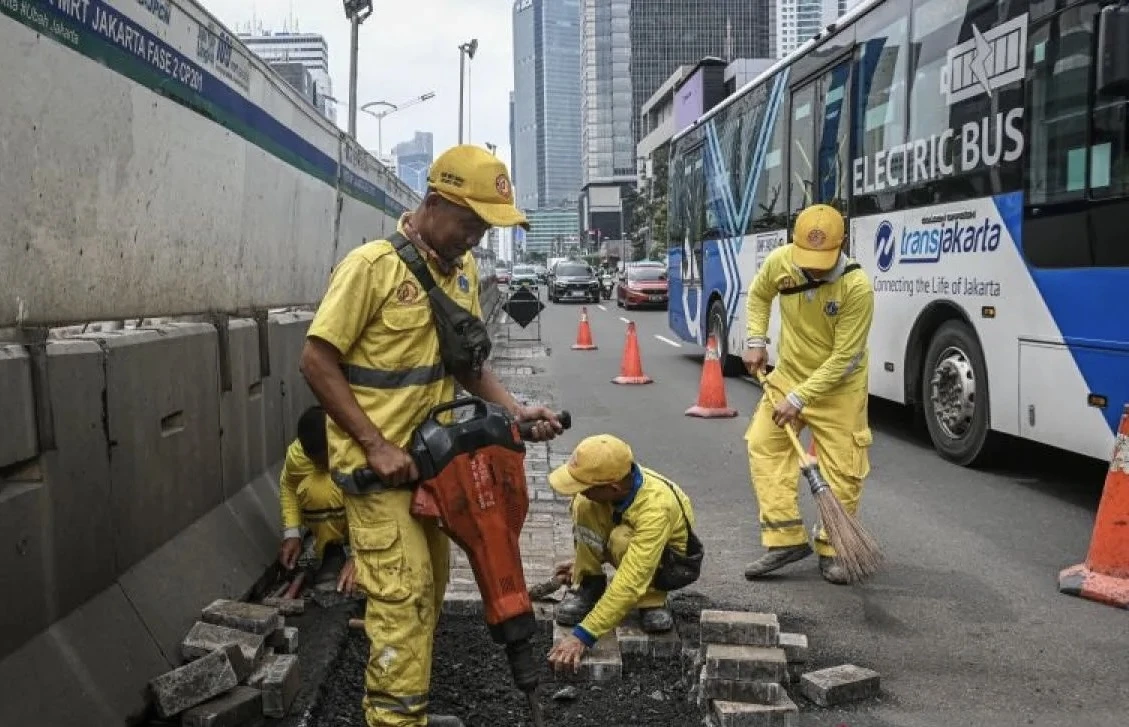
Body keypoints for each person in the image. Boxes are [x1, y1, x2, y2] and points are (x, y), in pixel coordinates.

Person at [298, 144, 563, 727]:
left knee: (431, 590)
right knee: (405, 596)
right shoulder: (371, 268)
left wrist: (516, 412)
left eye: (485, 229)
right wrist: (375, 445)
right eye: (471, 222)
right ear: (435, 201)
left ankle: (406, 711)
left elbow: (467, 366)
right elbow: (316, 361)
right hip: (379, 474)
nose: (476, 238)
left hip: (437, 471)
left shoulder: (462, 272)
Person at [741, 204, 875, 585]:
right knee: (764, 444)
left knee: (843, 469)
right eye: (807, 260)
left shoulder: (857, 288)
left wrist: (799, 399)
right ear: (793, 242)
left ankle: (833, 549)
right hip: (790, 374)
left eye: (822, 261)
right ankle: (785, 539)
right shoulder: (781, 262)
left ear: (842, 244)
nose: (813, 269)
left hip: (839, 388)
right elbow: (759, 294)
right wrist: (755, 340)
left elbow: (844, 359)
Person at [546, 435, 696, 672]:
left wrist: (583, 635)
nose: (579, 491)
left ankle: (651, 600)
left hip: (669, 565)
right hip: (629, 535)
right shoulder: (616, 487)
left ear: (612, 488)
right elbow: (598, 519)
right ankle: (589, 584)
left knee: (621, 540)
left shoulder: (656, 508)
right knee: (584, 505)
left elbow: (631, 578)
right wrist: (583, 562)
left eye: (585, 486)